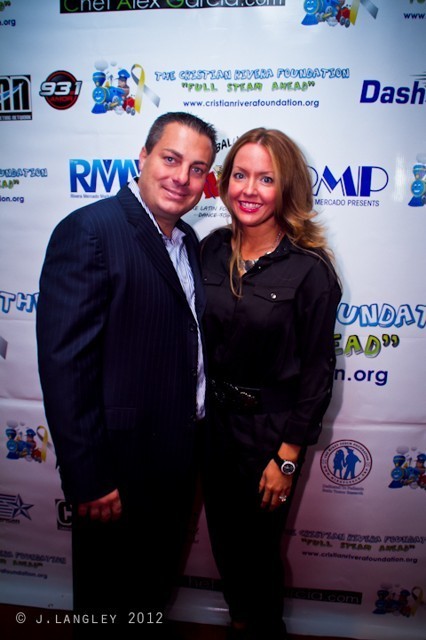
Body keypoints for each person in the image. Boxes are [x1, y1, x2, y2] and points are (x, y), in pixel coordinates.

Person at [36, 112, 217, 637]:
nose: (182, 177)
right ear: (142, 156)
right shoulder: (90, 231)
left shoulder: (187, 239)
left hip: (175, 462)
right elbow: (65, 365)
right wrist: (89, 477)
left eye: (197, 168)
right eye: (171, 159)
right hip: (117, 471)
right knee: (108, 606)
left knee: (150, 594)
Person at [200, 128, 342, 640]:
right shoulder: (209, 250)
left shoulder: (311, 269)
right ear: (224, 183)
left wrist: (287, 457)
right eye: (240, 175)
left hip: (270, 434)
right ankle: (240, 623)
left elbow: (317, 372)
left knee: (259, 553)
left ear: (287, 188)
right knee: (225, 545)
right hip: (212, 428)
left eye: (266, 178)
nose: (249, 189)